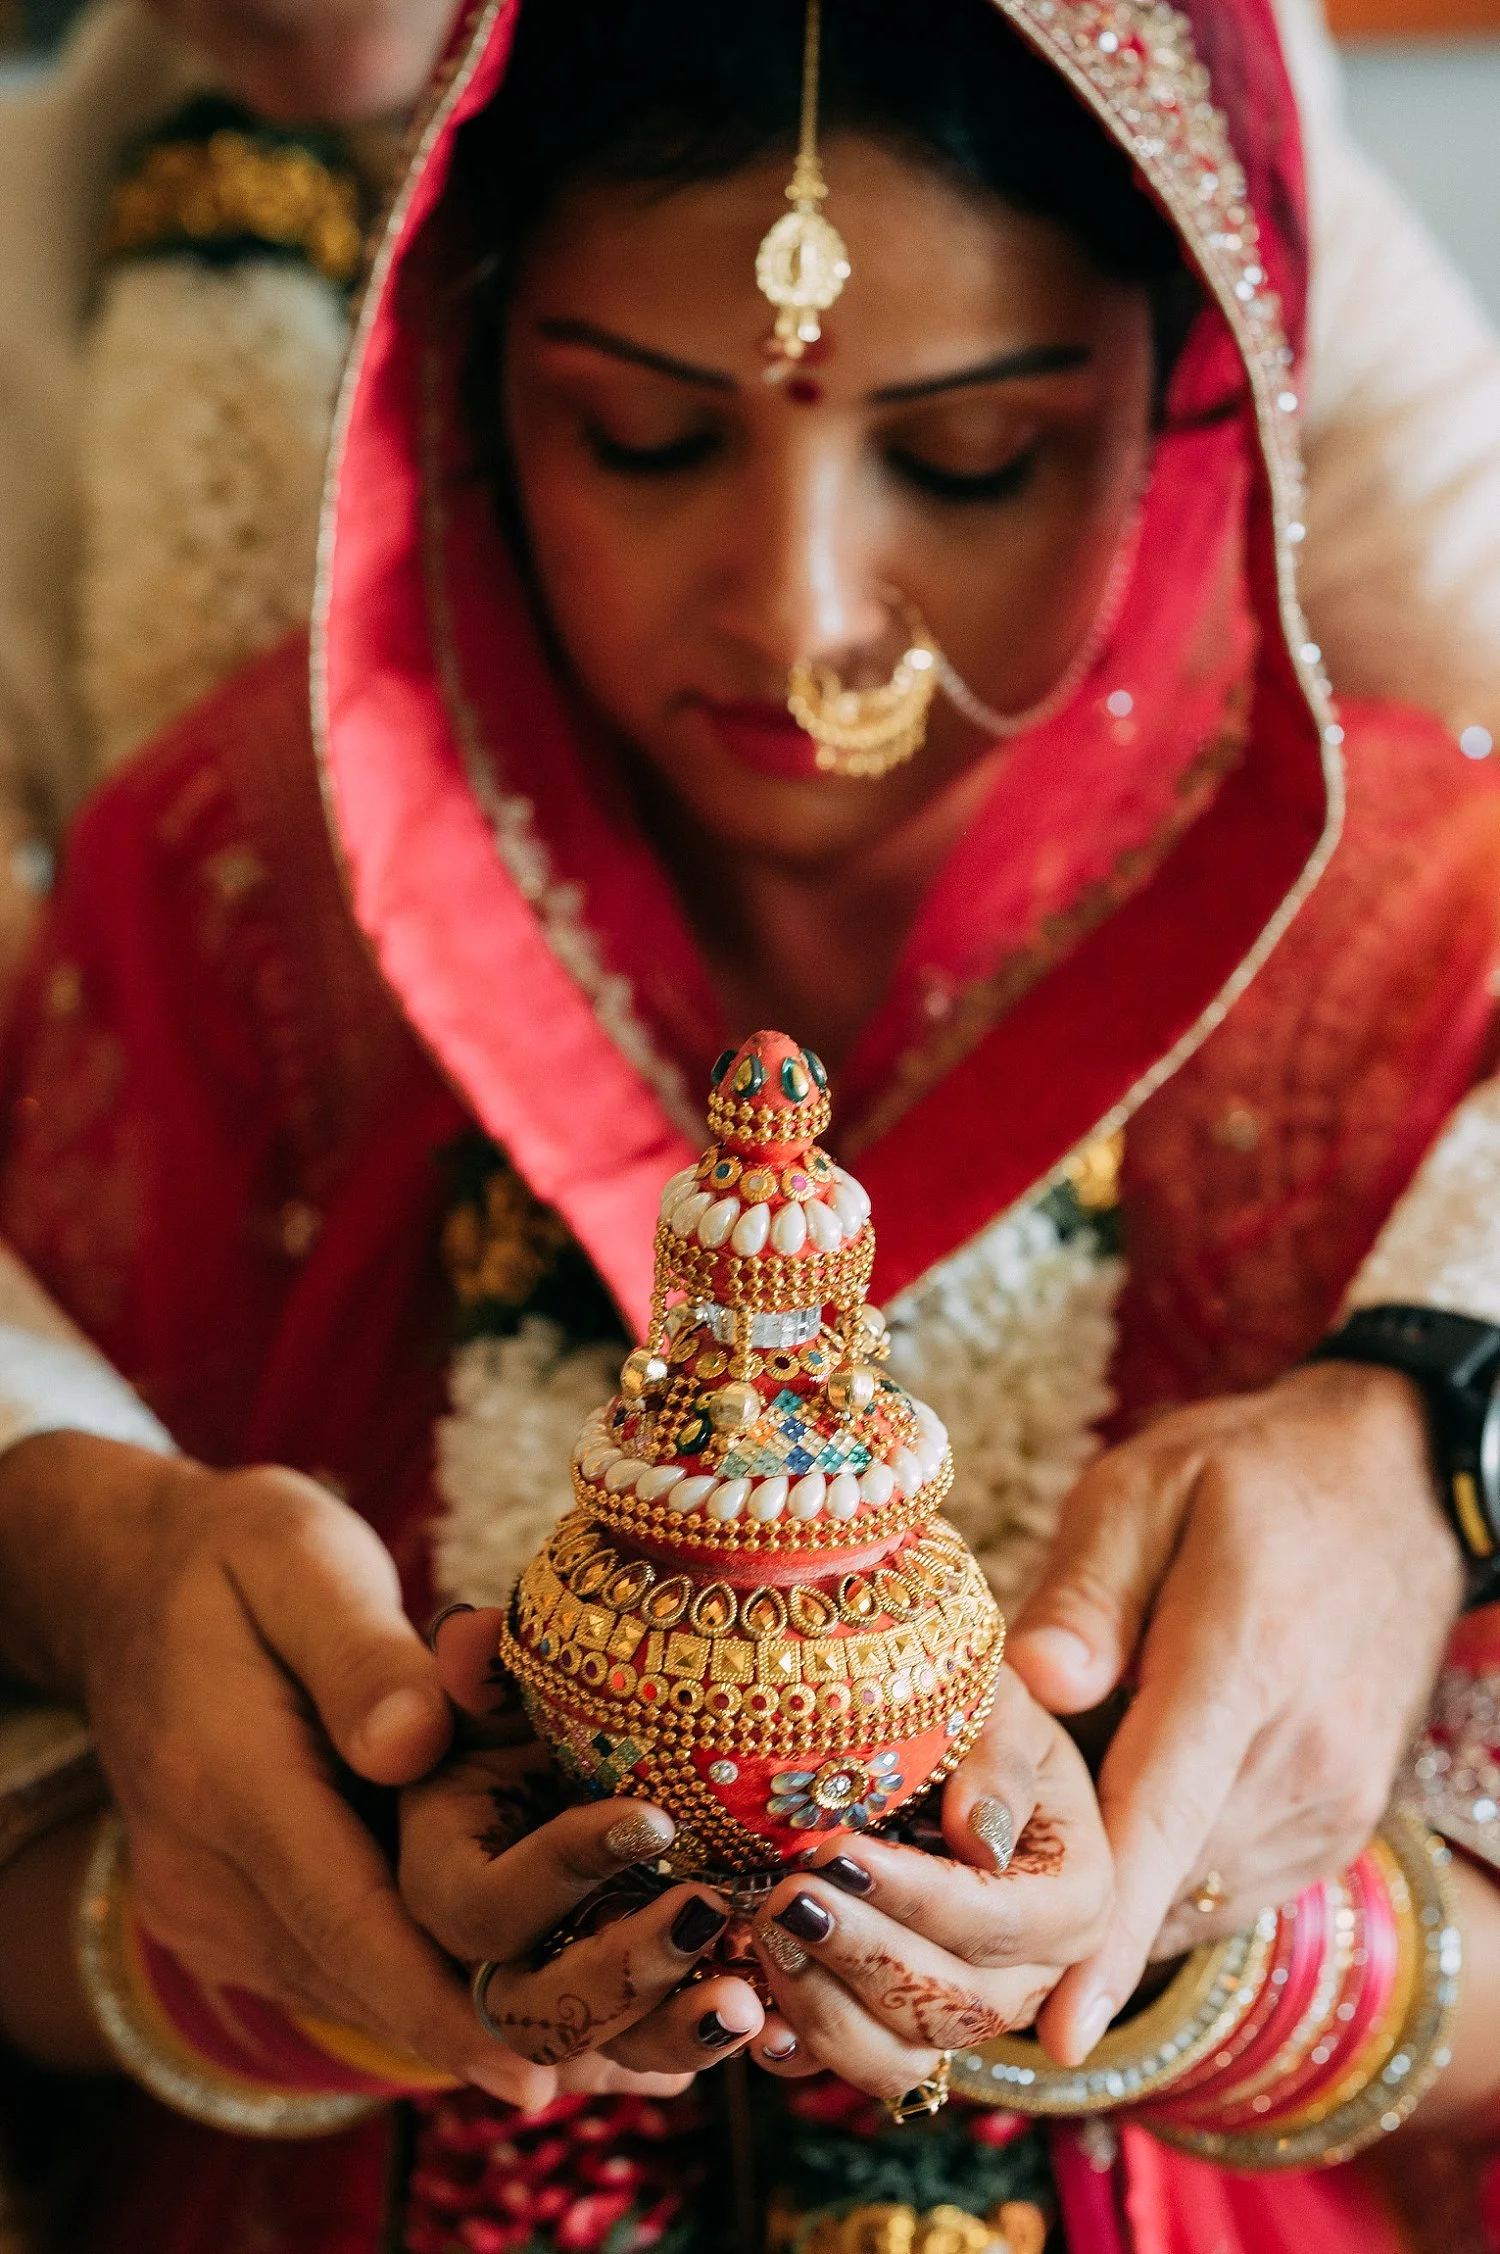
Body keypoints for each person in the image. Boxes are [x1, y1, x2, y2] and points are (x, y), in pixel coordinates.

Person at [1, 0, 1500, 2248]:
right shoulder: (232, 900)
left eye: (976, 454)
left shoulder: (1416, 935)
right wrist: (301, 1939)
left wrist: (1214, 1940)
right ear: (465, 387)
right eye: (637, 435)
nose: (805, 614)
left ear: (1199, 399)